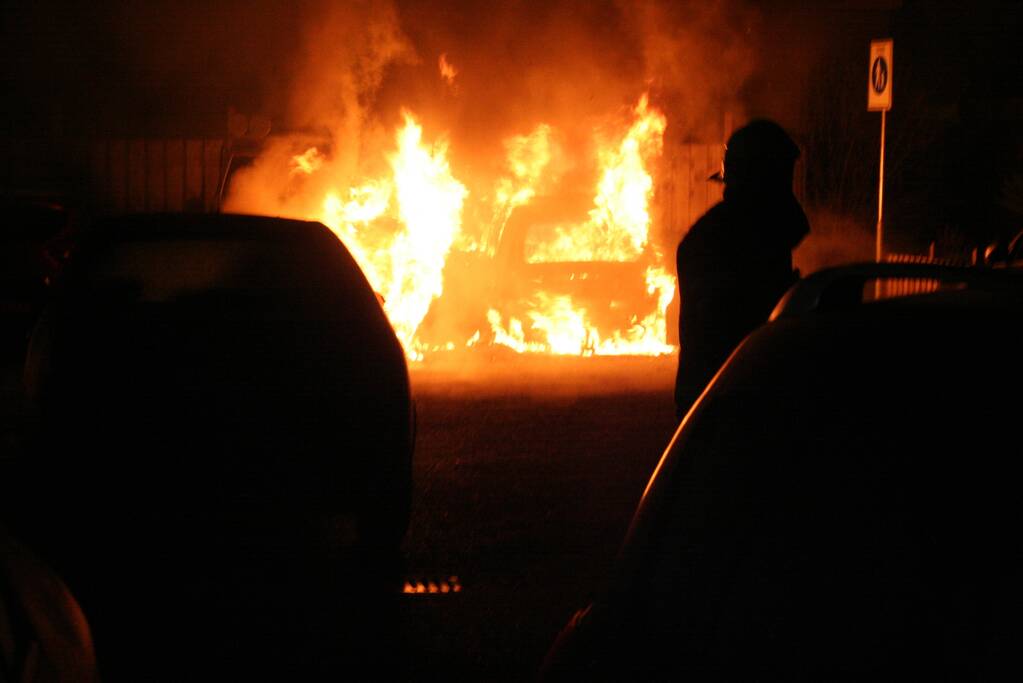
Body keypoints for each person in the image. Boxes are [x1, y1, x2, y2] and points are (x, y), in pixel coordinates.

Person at [674, 119, 809, 420]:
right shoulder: (739, 239)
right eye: (781, 181)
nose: (787, 195)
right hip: (727, 399)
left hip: (721, 397)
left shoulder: (726, 233)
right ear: (762, 181)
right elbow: (736, 325)